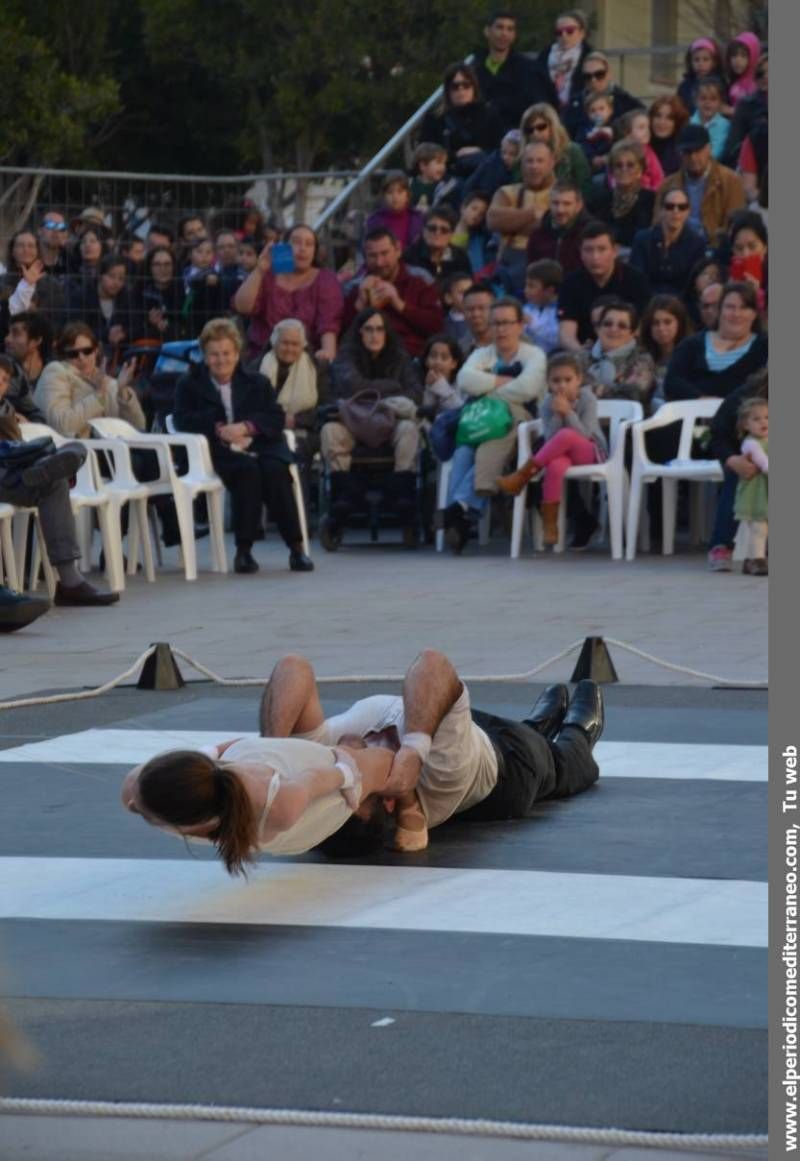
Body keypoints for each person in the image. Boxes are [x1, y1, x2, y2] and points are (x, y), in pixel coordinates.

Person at [122, 649, 604, 868]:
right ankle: (576, 730)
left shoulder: (318, 760)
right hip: (507, 763)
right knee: (562, 755)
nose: (357, 756)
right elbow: (433, 665)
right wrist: (412, 752)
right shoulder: (433, 778)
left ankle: (541, 721)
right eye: (363, 783)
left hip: (437, 711)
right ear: (393, 800)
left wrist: (271, 750)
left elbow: (294, 670)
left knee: (521, 725)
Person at [173, 317, 314, 574]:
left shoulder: (256, 382)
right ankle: (244, 551)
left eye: (226, 353)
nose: (221, 360)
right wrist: (219, 429)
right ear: (204, 356)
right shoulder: (190, 384)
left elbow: (275, 416)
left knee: (275, 470)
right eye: (213, 354)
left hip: (259, 443)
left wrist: (247, 427)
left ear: (237, 354)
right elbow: (182, 419)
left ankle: (296, 548)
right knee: (247, 471)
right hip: (216, 450)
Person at [0, 366, 118, 608]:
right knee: (48, 475)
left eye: (3, 380)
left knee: (55, 480)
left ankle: (70, 582)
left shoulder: (6, 408)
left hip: (11, 470)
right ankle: (42, 467)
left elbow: (16, 444)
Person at [443, 297, 546, 553]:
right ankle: (461, 518)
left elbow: (529, 388)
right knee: (464, 451)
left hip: (522, 424)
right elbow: (465, 380)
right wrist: (505, 381)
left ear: (520, 325)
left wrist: (488, 385)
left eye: (507, 323)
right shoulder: (482, 354)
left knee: (500, 430)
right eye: (496, 323)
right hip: (482, 420)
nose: (501, 329)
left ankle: (456, 511)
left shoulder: (534, 355)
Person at [324, 309, 422, 541]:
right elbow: (354, 386)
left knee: (409, 428)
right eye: (368, 329)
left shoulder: (399, 357)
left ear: (386, 333)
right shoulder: (346, 356)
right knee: (330, 430)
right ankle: (343, 499)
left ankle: (402, 497)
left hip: (389, 424)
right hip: (353, 425)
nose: (374, 335)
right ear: (359, 332)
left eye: (379, 329)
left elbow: (416, 393)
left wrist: (373, 398)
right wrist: (392, 387)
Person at [496, 350, 607, 548]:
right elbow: (549, 439)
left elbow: (584, 434)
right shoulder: (548, 403)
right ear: (548, 383)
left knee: (566, 436)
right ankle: (550, 525)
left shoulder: (587, 399)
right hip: (562, 452)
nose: (562, 385)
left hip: (590, 452)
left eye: (568, 379)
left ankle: (522, 476)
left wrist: (568, 413)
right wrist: (557, 414)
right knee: (555, 466)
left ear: (579, 379)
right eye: (556, 380)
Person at [234, 224, 344, 362]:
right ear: (284, 247)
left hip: (307, 359)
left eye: (309, 244)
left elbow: (328, 324)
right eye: (296, 242)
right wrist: (260, 270)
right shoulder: (269, 274)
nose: (302, 248)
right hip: (263, 357)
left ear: (314, 251)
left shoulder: (325, 279)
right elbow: (242, 307)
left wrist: (328, 352)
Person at [342, 228, 444, 357]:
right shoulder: (355, 286)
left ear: (398, 250)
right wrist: (360, 303)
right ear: (365, 257)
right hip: (367, 359)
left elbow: (436, 326)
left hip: (410, 356)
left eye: (384, 254)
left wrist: (399, 304)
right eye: (372, 256)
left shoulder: (420, 279)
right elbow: (344, 336)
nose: (379, 262)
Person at [35, 322, 144, 439]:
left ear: (96, 351)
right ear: (63, 355)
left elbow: (137, 428)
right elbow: (62, 426)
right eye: (73, 354)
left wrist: (122, 391)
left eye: (87, 351)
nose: (81, 358)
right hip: (73, 452)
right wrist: (98, 397)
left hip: (111, 450)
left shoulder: (106, 382)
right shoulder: (56, 372)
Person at [709, 366, 767, 573]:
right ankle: (721, 546)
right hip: (750, 460)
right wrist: (732, 459)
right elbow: (718, 432)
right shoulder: (750, 393)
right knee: (739, 476)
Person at [557, 221, 650, 349]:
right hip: (583, 349)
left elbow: (640, 329)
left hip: (625, 349)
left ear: (614, 251)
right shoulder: (571, 283)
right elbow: (566, 333)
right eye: (588, 250)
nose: (595, 257)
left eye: (602, 249)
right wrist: (583, 356)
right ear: (581, 253)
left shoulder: (636, 280)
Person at [655, 124, 745, 249]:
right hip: (675, 249)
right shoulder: (667, 185)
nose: (693, 157)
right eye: (687, 152)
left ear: (709, 149)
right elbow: (657, 225)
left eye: (698, 151)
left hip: (714, 249)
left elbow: (736, 227)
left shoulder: (730, 181)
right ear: (679, 153)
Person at [258, 318, 328, 472]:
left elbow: (326, 407)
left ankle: (299, 495)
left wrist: (296, 420)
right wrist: (277, 420)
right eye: (285, 343)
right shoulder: (257, 366)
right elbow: (250, 405)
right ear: (274, 342)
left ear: (303, 345)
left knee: (298, 447)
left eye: (295, 344)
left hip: (305, 429)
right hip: (267, 429)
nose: (289, 348)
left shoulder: (317, 368)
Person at [487, 140, 557, 293]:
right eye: (529, 161)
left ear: (552, 163)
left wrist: (512, 222)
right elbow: (492, 220)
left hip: (549, 261)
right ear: (522, 164)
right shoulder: (506, 192)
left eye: (540, 161)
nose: (534, 166)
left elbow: (552, 225)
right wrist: (532, 213)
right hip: (511, 261)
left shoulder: (562, 193)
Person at [472, 11, 556, 134]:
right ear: (487, 31)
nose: (504, 33)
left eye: (510, 29)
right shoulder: (473, 69)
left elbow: (541, 107)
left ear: (514, 35)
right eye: (499, 27)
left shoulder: (529, 69)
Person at [419, 62, 503, 178]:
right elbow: (426, 154)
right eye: (455, 86)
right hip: (447, 177)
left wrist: (480, 151)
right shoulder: (434, 119)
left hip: (483, 175)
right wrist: (454, 155)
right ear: (447, 90)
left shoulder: (489, 115)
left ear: (474, 87)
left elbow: (501, 149)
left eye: (466, 85)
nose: (461, 90)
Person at [628, 188, 707, 296]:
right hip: (646, 301)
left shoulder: (697, 243)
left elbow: (691, 286)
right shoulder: (642, 239)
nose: (676, 211)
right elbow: (637, 279)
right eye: (670, 207)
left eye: (682, 207)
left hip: (682, 305)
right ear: (661, 210)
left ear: (688, 211)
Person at [583, 299, 655, 407]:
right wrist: (617, 387)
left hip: (627, 422)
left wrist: (592, 389)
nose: (613, 329)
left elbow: (634, 393)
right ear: (598, 328)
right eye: (607, 324)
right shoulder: (581, 357)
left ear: (632, 333)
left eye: (622, 326)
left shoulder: (642, 360)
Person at [586, 140, 656, 250]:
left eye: (630, 165)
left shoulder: (652, 200)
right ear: (612, 171)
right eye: (618, 165)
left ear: (640, 170)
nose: (624, 169)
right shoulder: (598, 198)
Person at [519, 102, 591, 197]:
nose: (535, 133)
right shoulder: (523, 155)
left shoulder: (572, 151)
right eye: (530, 130)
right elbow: (517, 187)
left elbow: (585, 188)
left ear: (552, 126)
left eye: (541, 127)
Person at [565, 51, 642, 138]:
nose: (593, 80)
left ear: (608, 73)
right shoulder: (575, 102)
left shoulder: (625, 101)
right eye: (587, 76)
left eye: (599, 74)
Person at [0, 231, 65, 330]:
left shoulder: (52, 284)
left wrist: (35, 312)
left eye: (31, 246)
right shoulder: (2, 282)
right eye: (20, 245)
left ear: (37, 251)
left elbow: (57, 320)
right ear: (12, 251)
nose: (26, 249)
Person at [525, 182, 593, 275]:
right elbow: (531, 274)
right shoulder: (537, 235)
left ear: (578, 206)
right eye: (555, 203)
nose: (560, 210)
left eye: (567, 204)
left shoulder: (591, 235)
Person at [536, 9, 592, 123]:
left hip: (580, 115)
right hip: (548, 116)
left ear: (582, 33)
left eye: (570, 30)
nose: (564, 35)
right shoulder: (545, 55)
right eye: (559, 32)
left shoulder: (590, 57)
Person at [733, 396, 767, 576]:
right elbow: (764, 464)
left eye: (767, 418)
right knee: (759, 527)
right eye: (757, 419)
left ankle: (750, 559)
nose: (764, 422)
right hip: (756, 493)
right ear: (746, 425)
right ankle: (757, 560)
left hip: (767, 492)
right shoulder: (751, 444)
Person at [638, 295, 691, 405]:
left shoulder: (692, 355)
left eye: (667, 322)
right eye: (655, 323)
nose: (661, 328)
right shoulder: (642, 357)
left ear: (679, 323)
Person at [403, 206, 472, 285]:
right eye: (432, 228)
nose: (437, 233)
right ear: (424, 230)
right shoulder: (409, 256)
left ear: (451, 234)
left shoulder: (461, 258)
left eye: (444, 230)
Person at [3, 311, 51, 415]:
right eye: (8, 333)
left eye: (16, 334)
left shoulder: (51, 371)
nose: (7, 339)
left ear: (37, 340)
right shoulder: (4, 369)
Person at [365, 171, 425, 251]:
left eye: (400, 192)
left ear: (407, 195)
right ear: (384, 196)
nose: (395, 196)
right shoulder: (374, 220)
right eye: (390, 192)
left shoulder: (418, 218)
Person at [136, 247, 186, 342]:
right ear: (149, 268)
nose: (163, 269)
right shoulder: (138, 294)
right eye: (157, 264)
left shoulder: (184, 293)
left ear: (174, 267)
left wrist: (169, 327)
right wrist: (149, 323)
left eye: (167, 264)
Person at [614, 109, 664, 191]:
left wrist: (653, 192)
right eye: (641, 127)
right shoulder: (619, 152)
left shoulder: (649, 151)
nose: (647, 131)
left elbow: (658, 176)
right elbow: (612, 177)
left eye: (648, 127)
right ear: (627, 133)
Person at [522, 259, 562, 353]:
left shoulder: (560, 311)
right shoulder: (526, 309)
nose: (526, 290)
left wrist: (532, 323)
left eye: (531, 286)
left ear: (549, 291)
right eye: (526, 285)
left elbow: (557, 339)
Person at [677, 37, 725, 115]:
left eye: (706, 59)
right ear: (690, 62)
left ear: (714, 62)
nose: (700, 64)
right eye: (696, 60)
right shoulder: (685, 86)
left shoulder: (720, 83)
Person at [421, 332, 465, 416]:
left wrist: (441, 387)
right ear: (426, 361)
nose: (437, 362)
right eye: (433, 356)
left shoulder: (462, 384)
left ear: (454, 363)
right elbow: (425, 414)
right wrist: (429, 388)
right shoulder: (419, 380)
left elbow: (461, 412)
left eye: (444, 357)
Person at [648, 95, 690, 178]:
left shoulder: (683, 152)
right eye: (658, 116)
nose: (662, 122)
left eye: (669, 118)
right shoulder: (643, 145)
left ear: (677, 122)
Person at [690, 78, 731, 161]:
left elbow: (717, 152)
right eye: (703, 98)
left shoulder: (725, 126)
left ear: (720, 102)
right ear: (695, 100)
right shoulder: (688, 122)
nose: (707, 102)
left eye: (713, 99)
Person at [576, 89, 616, 173]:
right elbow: (582, 145)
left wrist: (609, 156)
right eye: (593, 111)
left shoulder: (615, 128)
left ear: (610, 110)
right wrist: (592, 157)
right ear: (587, 114)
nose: (597, 113)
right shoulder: (584, 130)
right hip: (593, 168)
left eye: (601, 109)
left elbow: (619, 144)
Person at [409, 143, 456, 209]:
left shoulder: (447, 186)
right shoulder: (409, 184)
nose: (443, 167)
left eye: (444, 163)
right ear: (423, 165)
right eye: (438, 162)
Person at [725, 32, 762, 109]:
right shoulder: (730, 80)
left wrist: (727, 110)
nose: (738, 60)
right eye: (734, 55)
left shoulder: (756, 86)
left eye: (743, 56)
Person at [461, 281, 496, 352]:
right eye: (470, 309)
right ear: (463, 313)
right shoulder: (458, 350)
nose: (476, 314)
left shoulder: (515, 343)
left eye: (481, 308)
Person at [37, 211, 70, 278]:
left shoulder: (69, 261)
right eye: (50, 225)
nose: (56, 230)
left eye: (61, 227)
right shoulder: (28, 257)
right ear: (40, 231)